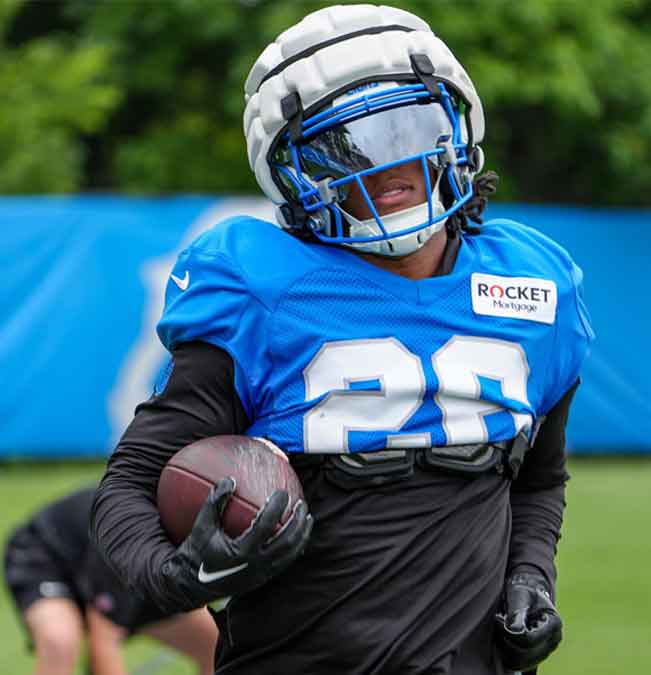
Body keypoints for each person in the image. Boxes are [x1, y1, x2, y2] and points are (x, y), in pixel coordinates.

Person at [92, 5, 593, 674]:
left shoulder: (533, 285)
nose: (383, 164)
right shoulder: (262, 288)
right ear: (296, 179)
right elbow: (129, 482)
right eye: (343, 146)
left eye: (403, 127)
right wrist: (173, 575)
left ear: (454, 128)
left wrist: (531, 574)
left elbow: (537, 478)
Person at [3, 486, 218, 675]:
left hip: (142, 573)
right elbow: (104, 645)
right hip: (47, 559)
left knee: (218, 646)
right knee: (60, 640)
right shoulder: (127, 540)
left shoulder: (215, 540)